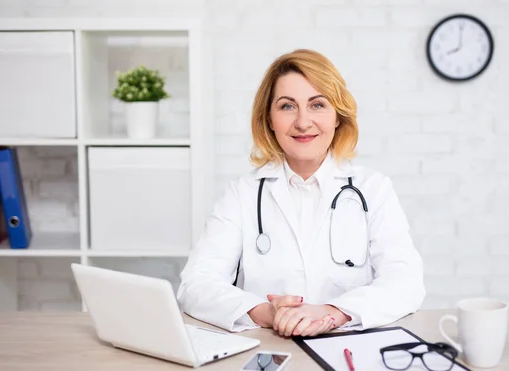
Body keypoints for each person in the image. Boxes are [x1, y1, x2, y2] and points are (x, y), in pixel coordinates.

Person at [177, 49, 425, 337]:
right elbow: (195, 285)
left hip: (348, 348)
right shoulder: (242, 194)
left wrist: (332, 313)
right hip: (267, 351)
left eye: (318, 105)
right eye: (287, 106)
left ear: (337, 117)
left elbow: (405, 283)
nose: (303, 122)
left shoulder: (373, 189)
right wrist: (266, 312)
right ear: (269, 118)